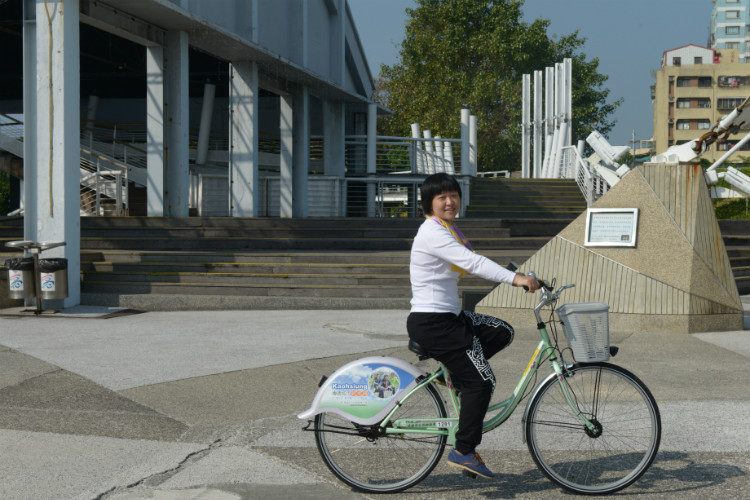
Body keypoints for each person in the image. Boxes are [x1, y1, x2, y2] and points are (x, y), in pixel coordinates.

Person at [407, 172, 539, 479]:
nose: (450, 202)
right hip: (434, 322)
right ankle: (464, 450)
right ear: (429, 204)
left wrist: (518, 274)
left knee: (500, 330)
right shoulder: (433, 232)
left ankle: (453, 375)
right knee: (482, 382)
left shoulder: (448, 229)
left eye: (453, 195)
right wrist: (515, 279)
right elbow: (473, 263)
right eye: (442, 198)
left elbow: (473, 258)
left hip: (449, 318)